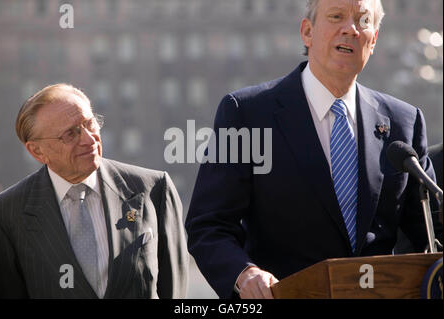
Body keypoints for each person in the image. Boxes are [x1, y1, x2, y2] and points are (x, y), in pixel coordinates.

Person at [185, 0, 442, 299]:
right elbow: (209, 224)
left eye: (363, 21)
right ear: (307, 32)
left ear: (373, 41)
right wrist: (245, 274)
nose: (350, 29)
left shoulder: (404, 123)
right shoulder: (247, 114)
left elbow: (428, 232)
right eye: (336, 17)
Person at [0, 83, 188, 298]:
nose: (89, 139)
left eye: (90, 124)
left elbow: (174, 292)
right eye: (70, 134)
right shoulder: (5, 215)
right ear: (37, 151)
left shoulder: (154, 189)